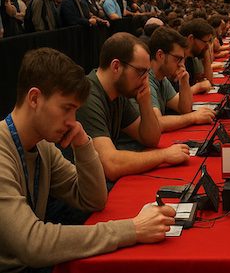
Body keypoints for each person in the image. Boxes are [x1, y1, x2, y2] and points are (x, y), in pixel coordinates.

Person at [0, 48, 176, 272]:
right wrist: (132, 229)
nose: (72, 121)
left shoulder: (43, 147)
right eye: (66, 109)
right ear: (34, 98)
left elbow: (94, 200)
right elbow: (33, 243)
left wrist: (83, 143)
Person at [76, 33, 189, 182]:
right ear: (116, 66)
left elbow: (151, 139)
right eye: (141, 72)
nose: (145, 79)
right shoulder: (88, 96)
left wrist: (145, 102)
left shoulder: (119, 93)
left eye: (147, 73)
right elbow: (111, 165)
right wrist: (164, 155)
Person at [147, 26, 216, 132]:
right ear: (160, 55)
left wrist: (184, 81)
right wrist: (193, 117)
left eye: (182, 59)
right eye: (177, 59)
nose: (181, 65)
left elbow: (185, 109)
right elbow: (157, 123)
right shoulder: (146, 80)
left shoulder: (162, 79)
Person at [178, 18, 215, 94]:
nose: (207, 46)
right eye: (205, 42)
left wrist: (205, 52)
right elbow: (174, 96)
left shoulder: (190, 58)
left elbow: (209, 82)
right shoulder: (176, 60)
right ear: (191, 38)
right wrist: (198, 87)